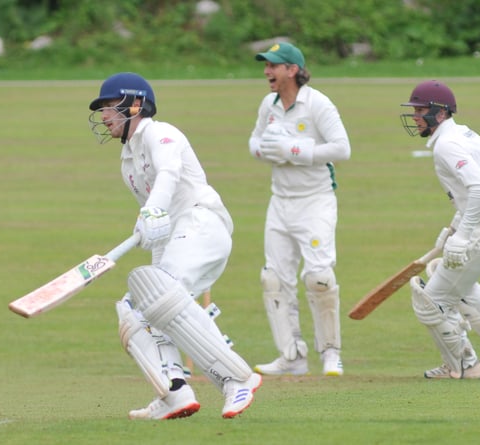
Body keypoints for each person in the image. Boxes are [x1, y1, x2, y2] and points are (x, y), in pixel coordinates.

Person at [88, 72, 262, 419]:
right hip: (177, 238)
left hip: (202, 224)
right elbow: (160, 231)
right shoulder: (128, 164)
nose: (104, 115)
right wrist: (151, 224)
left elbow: (169, 173)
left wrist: (153, 209)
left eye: (109, 106)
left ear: (135, 105)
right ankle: (175, 392)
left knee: (158, 295)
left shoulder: (160, 133)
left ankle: (236, 378)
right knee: (136, 307)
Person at [399, 80, 480, 379]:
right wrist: (456, 227)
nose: (415, 116)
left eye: (421, 110)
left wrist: (463, 235)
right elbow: (478, 188)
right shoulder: (464, 133)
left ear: (441, 113)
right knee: (450, 278)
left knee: (430, 301)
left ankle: (463, 365)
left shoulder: (446, 146)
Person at [248, 43, 351, 376]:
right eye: (265, 66)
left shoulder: (317, 103)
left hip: (315, 200)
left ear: (292, 69)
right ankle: (291, 357)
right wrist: (267, 150)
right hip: (280, 201)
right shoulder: (269, 104)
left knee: (319, 278)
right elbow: (255, 141)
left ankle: (331, 353)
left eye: (273, 67)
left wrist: (293, 148)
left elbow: (342, 149)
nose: (267, 72)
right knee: (274, 280)